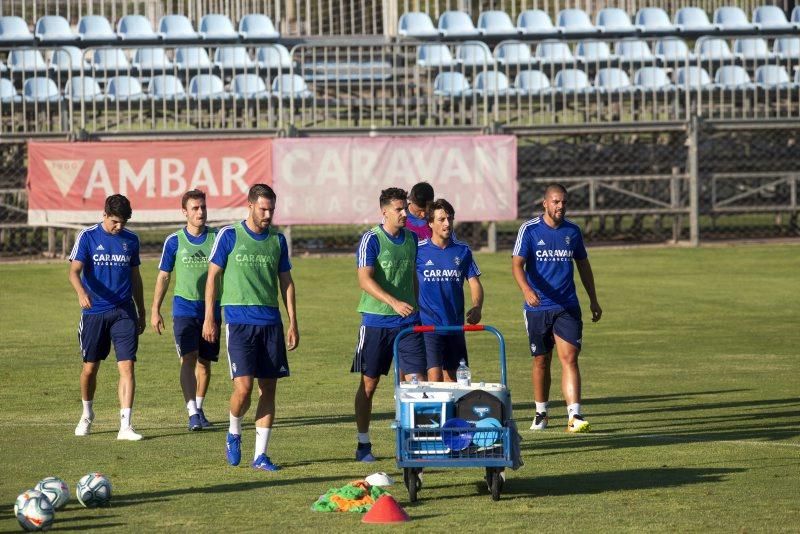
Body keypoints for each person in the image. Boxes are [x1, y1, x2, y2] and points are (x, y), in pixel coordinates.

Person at [203, 184, 298, 472]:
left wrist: (293, 321)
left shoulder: (278, 241)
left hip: (270, 322)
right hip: (238, 322)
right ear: (250, 206)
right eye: (263, 208)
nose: (268, 214)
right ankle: (233, 431)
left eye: (271, 209)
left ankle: (260, 455)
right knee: (243, 388)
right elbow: (212, 278)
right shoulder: (229, 235)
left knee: (268, 389)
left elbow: (286, 283)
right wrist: (210, 317)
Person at [511, 183, 602, 433]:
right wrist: (527, 291)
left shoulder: (572, 231)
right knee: (541, 360)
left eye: (563, 202)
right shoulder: (529, 230)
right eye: (555, 201)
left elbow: (583, 266)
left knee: (569, 358)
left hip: (567, 305)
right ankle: (541, 412)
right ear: (545, 203)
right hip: (538, 307)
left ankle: (574, 415)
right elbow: (517, 264)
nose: (560, 206)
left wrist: (593, 299)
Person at [353, 187, 427, 462]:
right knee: (369, 385)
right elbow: (364, 280)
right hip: (375, 322)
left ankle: (415, 443)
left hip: (408, 323)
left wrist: (415, 306)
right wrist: (393, 302)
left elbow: (412, 277)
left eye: (405, 208)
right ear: (384, 212)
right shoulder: (371, 240)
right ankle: (363, 444)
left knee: (415, 383)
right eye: (399, 209)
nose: (405, 213)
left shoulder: (410, 239)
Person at [69, 194, 146, 441]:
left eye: (123, 222)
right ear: (104, 215)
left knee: (127, 366)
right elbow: (74, 272)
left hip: (124, 312)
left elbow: (135, 278)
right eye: (114, 221)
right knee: (90, 368)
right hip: (94, 313)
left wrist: (141, 310)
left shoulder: (131, 240)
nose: (119, 226)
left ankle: (125, 425)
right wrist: (81, 292)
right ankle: (87, 414)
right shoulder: (88, 236)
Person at [151, 190, 220, 432]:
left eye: (203, 207)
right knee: (188, 358)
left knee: (205, 362)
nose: (200, 212)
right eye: (195, 208)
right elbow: (163, 276)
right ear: (184, 212)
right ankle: (191, 412)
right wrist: (155, 310)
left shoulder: (217, 237)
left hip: (211, 309)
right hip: (184, 308)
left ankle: (199, 408)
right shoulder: (174, 241)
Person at [416, 198, 484, 381]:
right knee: (435, 377)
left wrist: (477, 307)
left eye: (450, 218)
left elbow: (474, 282)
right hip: (428, 326)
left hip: (455, 326)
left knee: (456, 381)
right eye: (441, 219)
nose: (447, 223)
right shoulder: (418, 251)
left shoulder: (463, 250)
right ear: (430, 223)